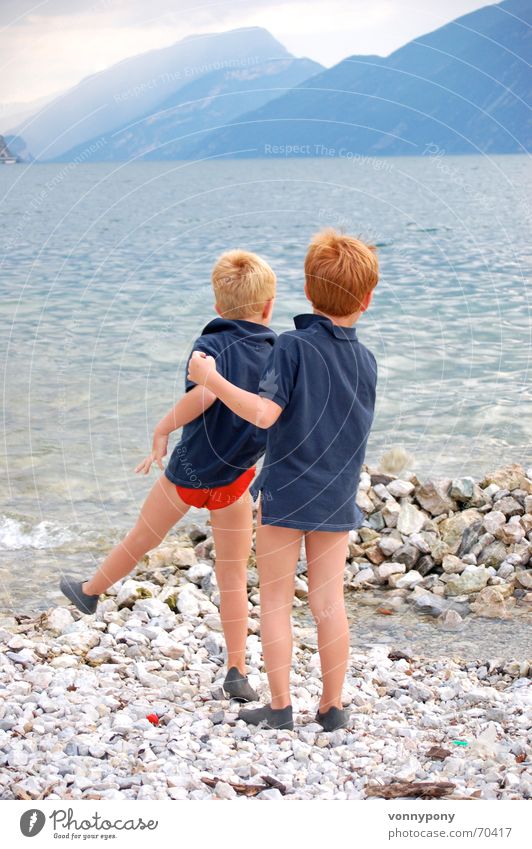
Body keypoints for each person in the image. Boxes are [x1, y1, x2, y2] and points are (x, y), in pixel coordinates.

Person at [60, 249, 277, 702]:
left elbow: (202, 398)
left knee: (143, 536)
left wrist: (162, 429)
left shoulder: (210, 346)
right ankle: (236, 668)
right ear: (269, 306)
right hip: (235, 482)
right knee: (233, 575)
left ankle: (90, 591)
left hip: (189, 472)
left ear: (218, 307)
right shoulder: (279, 355)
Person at [188, 229, 378, 731]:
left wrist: (212, 380)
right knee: (328, 602)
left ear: (309, 291)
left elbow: (265, 416)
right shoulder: (367, 360)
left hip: (287, 491)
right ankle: (332, 707)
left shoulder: (292, 346)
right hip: (337, 496)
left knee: (274, 597)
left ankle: (279, 706)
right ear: (367, 299)